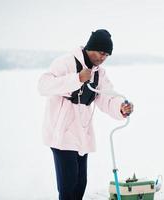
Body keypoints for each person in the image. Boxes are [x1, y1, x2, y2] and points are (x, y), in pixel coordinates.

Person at [37, 29, 133, 200]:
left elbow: (106, 97)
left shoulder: (99, 73)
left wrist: (120, 108)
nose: (103, 58)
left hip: (81, 135)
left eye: (107, 55)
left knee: (80, 184)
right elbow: (43, 86)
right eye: (101, 52)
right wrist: (77, 79)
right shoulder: (65, 62)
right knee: (68, 186)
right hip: (61, 135)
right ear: (91, 48)